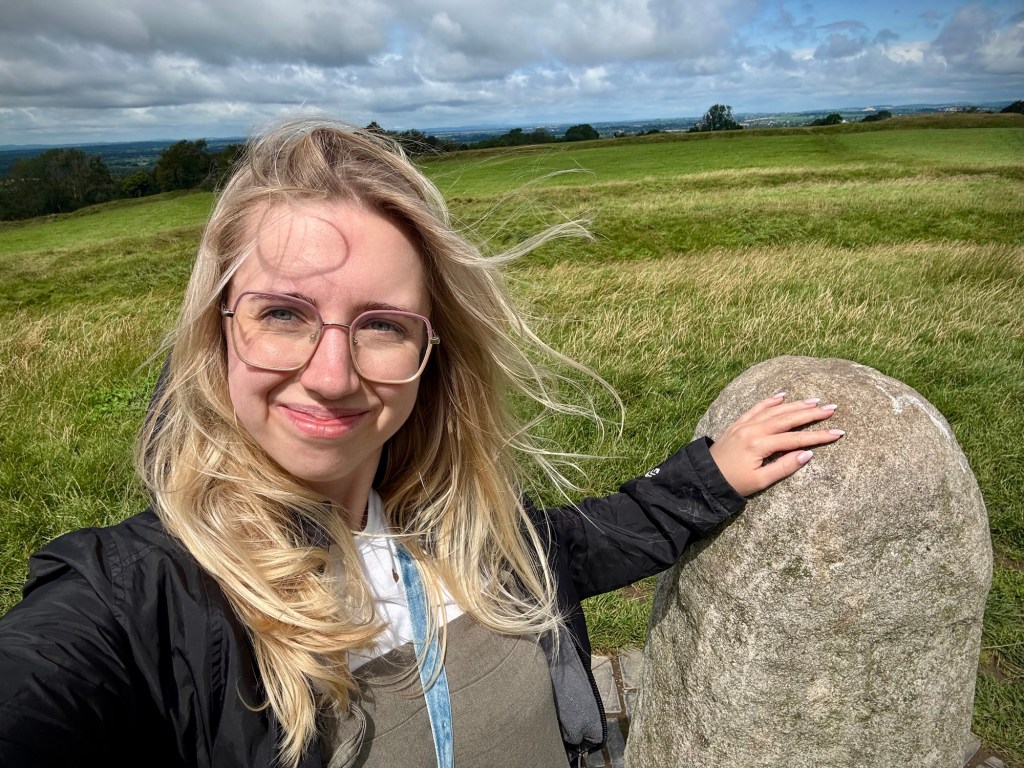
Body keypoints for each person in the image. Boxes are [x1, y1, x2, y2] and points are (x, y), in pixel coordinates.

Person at [0, 118, 842, 768]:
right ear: (216, 333)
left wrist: (709, 478)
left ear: (431, 353)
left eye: (382, 326)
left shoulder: (454, 523)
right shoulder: (140, 603)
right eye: (282, 315)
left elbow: (579, 547)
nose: (331, 375)